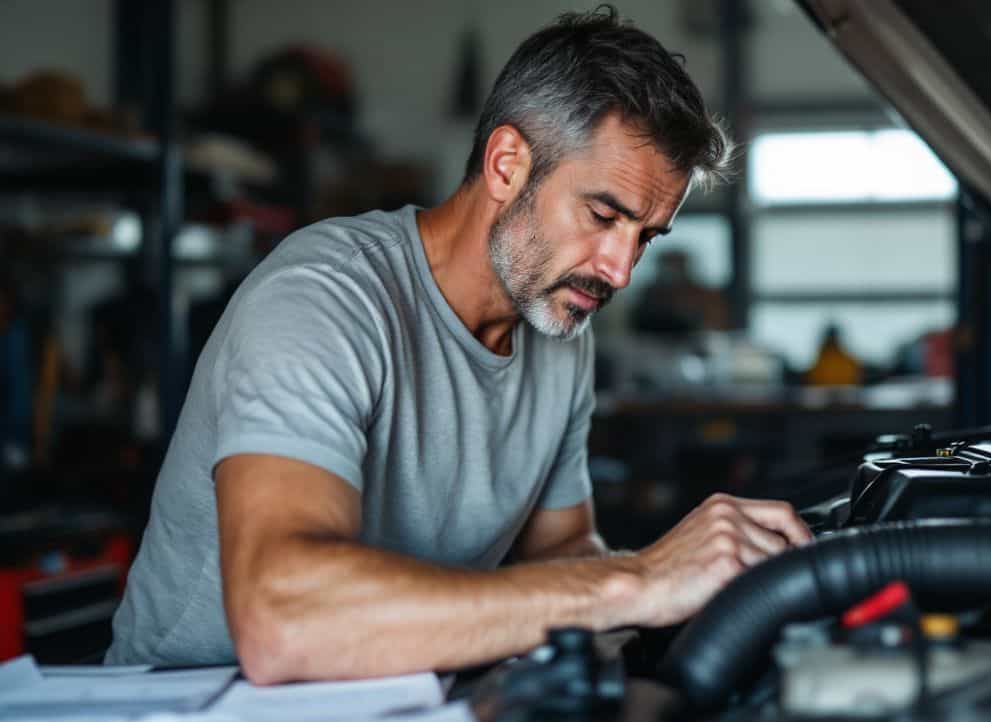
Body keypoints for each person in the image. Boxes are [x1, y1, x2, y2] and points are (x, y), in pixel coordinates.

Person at [106, 8, 811, 683]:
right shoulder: (322, 297)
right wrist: (638, 579)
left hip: (393, 708)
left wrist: (705, 607)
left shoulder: (560, 330)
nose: (620, 269)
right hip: (188, 719)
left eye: (646, 237)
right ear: (506, 165)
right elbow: (281, 617)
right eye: (603, 215)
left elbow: (562, 555)